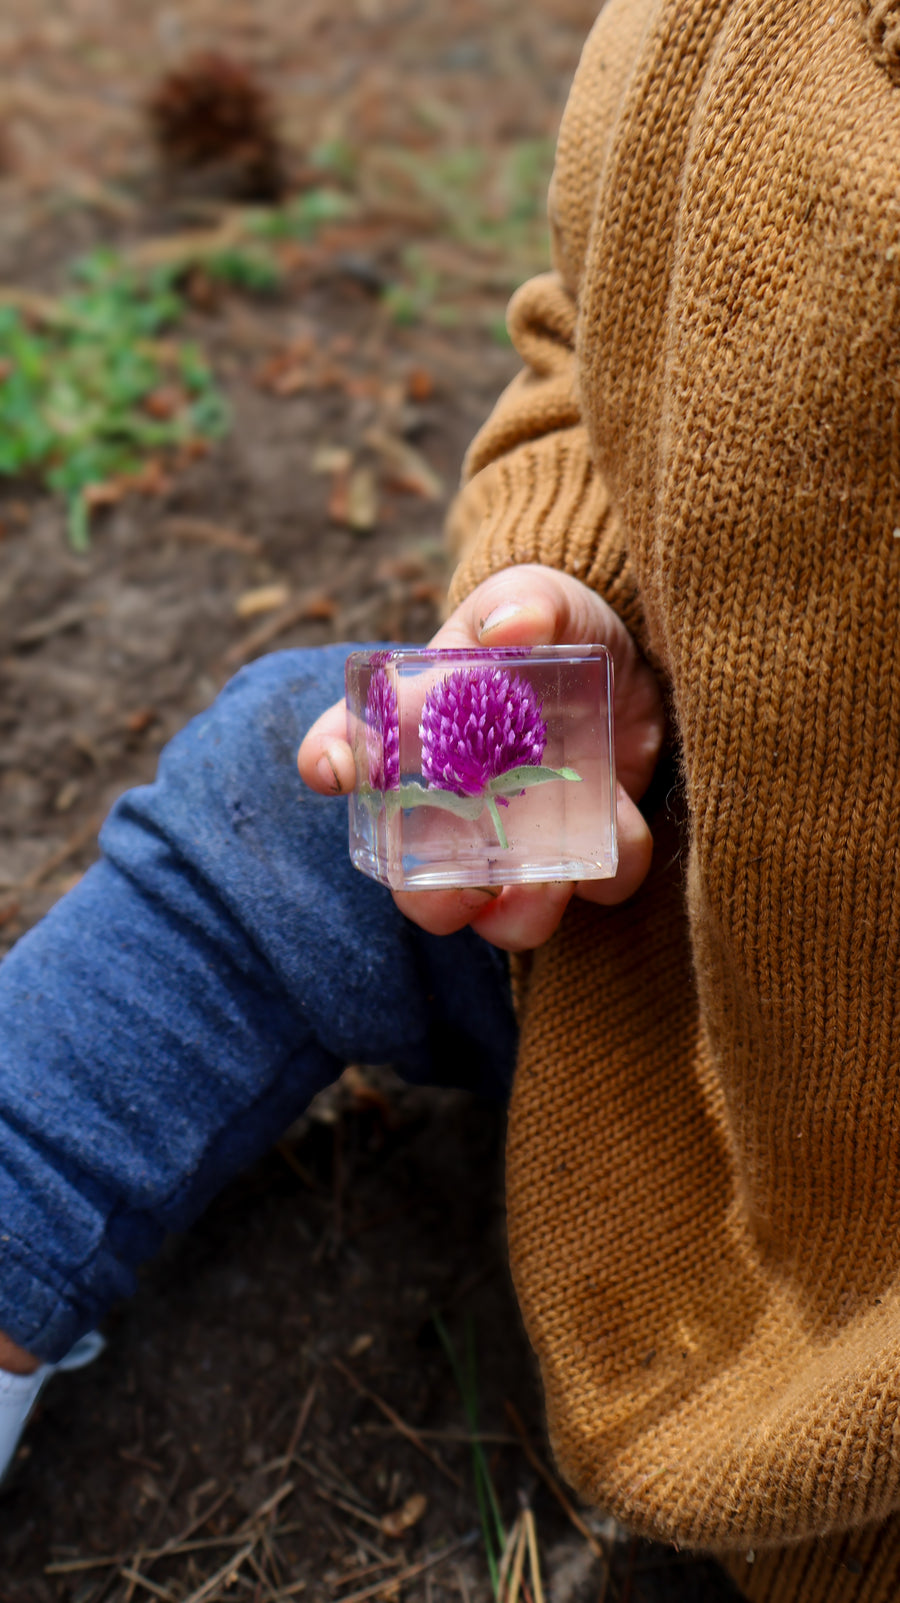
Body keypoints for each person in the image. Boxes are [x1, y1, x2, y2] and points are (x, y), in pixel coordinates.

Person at [2, 1, 900, 1598]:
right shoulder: (726, 31)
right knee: (278, 793)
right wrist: (571, 587)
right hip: (684, 935)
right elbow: (594, 350)